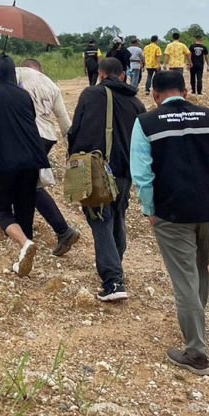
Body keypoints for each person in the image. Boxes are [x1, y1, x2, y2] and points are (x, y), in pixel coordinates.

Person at [130, 71, 209, 376]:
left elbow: (142, 174)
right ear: (186, 92)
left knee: (185, 280)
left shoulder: (146, 122)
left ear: (155, 95)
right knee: (200, 271)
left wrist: (150, 210)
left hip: (171, 214)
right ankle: (197, 327)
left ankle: (197, 352)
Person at [67, 57, 145, 300]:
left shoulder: (91, 95)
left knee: (100, 219)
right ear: (123, 75)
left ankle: (114, 281)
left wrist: (73, 158)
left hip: (96, 170)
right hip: (125, 172)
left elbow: (74, 130)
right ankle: (116, 265)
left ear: (100, 75)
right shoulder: (136, 102)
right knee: (118, 216)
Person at [0, 54, 51, 277]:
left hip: (5, 161)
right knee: (25, 210)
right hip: (31, 159)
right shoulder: (24, 95)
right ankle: (24, 258)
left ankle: (25, 244)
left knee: (1, 210)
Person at [17, 59, 81, 257]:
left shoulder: (19, 73)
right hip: (46, 137)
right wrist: (72, 148)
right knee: (28, 183)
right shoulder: (52, 85)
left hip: (27, 135)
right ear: (41, 69)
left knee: (28, 185)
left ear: (26, 66)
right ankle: (32, 231)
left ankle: (59, 230)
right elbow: (64, 120)